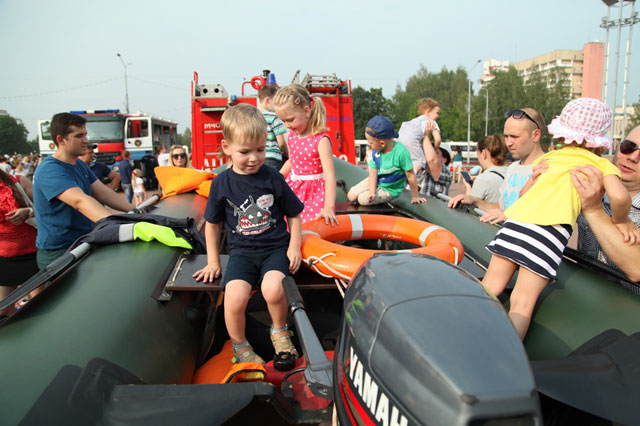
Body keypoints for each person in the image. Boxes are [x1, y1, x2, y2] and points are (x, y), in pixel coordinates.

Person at [482, 98, 639, 340]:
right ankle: (504, 355)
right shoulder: (598, 164)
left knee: (488, 287)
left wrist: (535, 181)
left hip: (514, 226)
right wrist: (621, 221)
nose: (633, 157)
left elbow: (524, 195)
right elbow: (619, 197)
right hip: (546, 234)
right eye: (629, 146)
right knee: (522, 303)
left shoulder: (550, 158)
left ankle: (465, 332)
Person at [193, 103, 304, 365]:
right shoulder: (221, 183)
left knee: (273, 289)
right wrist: (213, 261)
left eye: (261, 150)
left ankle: (279, 332)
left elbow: (294, 215)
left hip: (274, 249)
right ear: (226, 148)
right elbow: (213, 223)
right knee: (234, 298)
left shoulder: (273, 178)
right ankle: (241, 347)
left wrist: (294, 247)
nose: (254, 157)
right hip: (242, 253)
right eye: (245, 151)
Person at [33, 113, 135, 268]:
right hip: (59, 251)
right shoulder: (50, 169)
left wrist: (136, 212)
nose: (86, 140)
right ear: (61, 140)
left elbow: (103, 192)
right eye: (79, 136)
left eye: (86, 134)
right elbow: (80, 201)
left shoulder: (79, 164)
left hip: (83, 241)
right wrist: (116, 226)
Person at [568, 125, 640, 289]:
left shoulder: (592, 197)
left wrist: (593, 210)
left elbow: (637, 268)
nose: (633, 158)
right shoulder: (593, 188)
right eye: (629, 147)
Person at [273, 84, 338, 225]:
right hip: (294, 188)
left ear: (306, 111)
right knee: (287, 225)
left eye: (290, 120)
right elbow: (292, 161)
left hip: (314, 194)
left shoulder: (321, 140)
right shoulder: (291, 136)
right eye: (283, 121)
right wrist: (276, 178)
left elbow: (330, 175)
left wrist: (329, 207)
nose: (287, 125)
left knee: (311, 228)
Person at [479, 108, 546, 224]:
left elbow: (547, 217)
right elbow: (501, 208)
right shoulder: (512, 168)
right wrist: (474, 201)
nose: (508, 143)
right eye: (506, 136)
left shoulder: (548, 168)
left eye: (514, 137)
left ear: (536, 135)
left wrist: (510, 216)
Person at [347, 116, 426, 206]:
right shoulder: (376, 151)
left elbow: (411, 175)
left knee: (362, 199)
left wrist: (415, 196)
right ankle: (372, 192)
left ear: (382, 143)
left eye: (370, 142)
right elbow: (373, 173)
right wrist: (372, 192)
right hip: (377, 180)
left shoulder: (401, 153)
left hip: (390, 189)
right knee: (351, 195)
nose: (368, 144)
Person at [0, 169, 37, 314]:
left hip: (33, 254)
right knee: (3, 312)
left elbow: (47, 206)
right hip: (4, 258)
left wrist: (28, 212)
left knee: (38, 308)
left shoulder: (18, 181)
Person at [447, 134, 509, 208]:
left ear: (484, 153)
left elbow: (469, 209)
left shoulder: (484, 179)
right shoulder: (512, 173)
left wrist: (468, 188)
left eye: (478, 154)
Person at [397, 98, 442, 191]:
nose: (438, 116)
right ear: (428, 112)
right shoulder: (431, 122)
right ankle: (410, 177)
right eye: (437, 113)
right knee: (419, 160)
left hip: (399, 139)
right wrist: (436, 148)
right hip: (412, 141)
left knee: (404, 161)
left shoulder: (411, 121)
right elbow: (438, 139)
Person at [258, 84, 288, 170]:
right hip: (273, 159)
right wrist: (288, 155)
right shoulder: (274, 117)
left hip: (258, 158)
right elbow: (281, 143)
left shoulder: (253, 116)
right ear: (267, 100)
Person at [422, 123, 453, 196]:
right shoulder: (421, 167)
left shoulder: (446, 173)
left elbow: (432, 162)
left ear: (444, 159)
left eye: (435, 152)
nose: (430, 154)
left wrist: (426, 136)